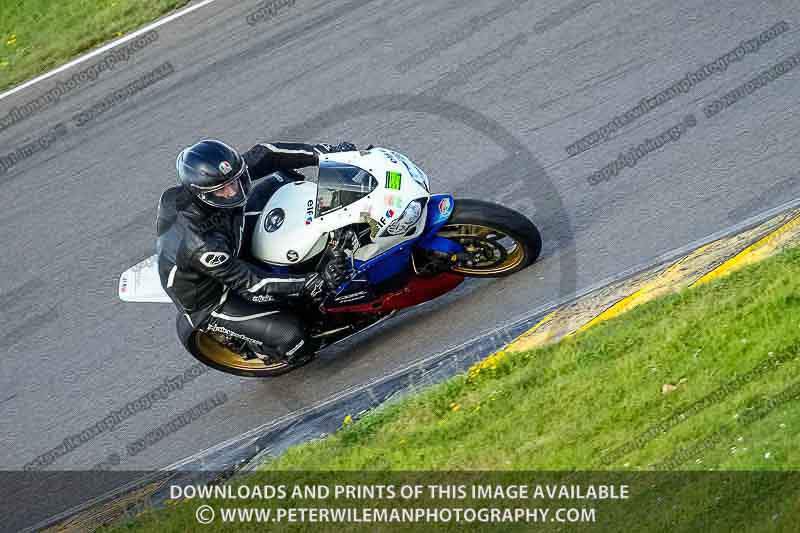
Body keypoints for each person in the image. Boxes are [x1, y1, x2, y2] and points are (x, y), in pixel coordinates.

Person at [156, 139, 357, 364]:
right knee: (294, 337)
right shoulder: (202, 246)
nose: (234, 191)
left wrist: (325, 153)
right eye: (223, 189)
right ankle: (268, 349)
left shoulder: (219, 185)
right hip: (216, 296)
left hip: (229, 237)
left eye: (235, 180)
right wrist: (311, 281)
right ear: (202, 195)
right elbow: (253, 283)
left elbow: (266, 155)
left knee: (283, 179)